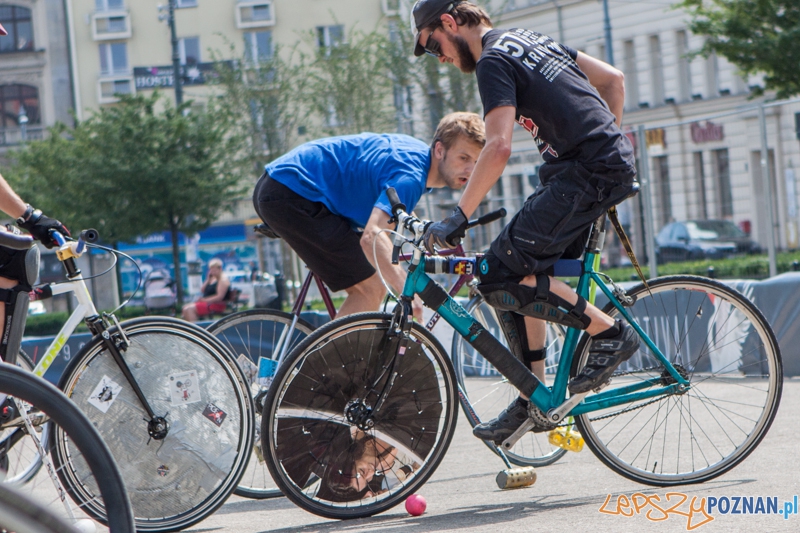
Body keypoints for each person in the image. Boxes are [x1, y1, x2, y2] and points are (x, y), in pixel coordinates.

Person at [411, 0, 639, 444]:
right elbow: (614, 79)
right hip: (588, 170)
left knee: (497, 273)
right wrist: (608, 143)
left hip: (583, 174)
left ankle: (612, 334)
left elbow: (497, 146)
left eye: (434, 45)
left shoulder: (492, 60)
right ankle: (533, 395)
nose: (440, 58)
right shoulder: (529, 38)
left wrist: (459, 216)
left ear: (450, 22)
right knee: (521, 270)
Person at [253, 112, 485, 321]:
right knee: (371, 288)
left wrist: (424, 229)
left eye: (476, 162)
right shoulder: (411, 178)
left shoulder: (417, 156)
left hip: (283, 184)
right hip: (292, 194)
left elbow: (395, 207)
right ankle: (323, 356)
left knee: (374, 278)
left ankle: (342, 350)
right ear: (439, 150)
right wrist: (406, 290)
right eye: (463, 158)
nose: (471, 170)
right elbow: (371, 235)